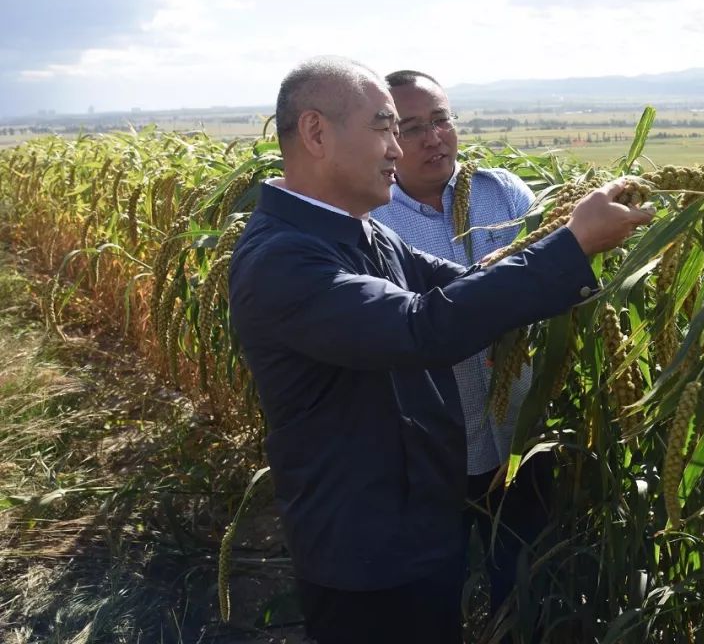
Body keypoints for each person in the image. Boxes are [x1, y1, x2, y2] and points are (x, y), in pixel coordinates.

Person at [227, 56, 652, 644]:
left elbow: (459, 283)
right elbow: (421, 328)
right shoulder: (284, 261)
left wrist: (566, 242)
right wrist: (572, 246)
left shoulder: (358, 230)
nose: (398, 149)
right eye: (384, 127)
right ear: (316, 132)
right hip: (364, 552)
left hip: (414, 529)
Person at [370, 70, 544, 620]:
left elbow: (551, 280)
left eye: (441, 120)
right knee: (430, 588)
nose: (433, 138)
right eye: (412, 126)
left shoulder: (505, 193)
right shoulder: (373, 216)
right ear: (387, 139)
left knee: (521, 576)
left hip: (519, 434)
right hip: (430, 445)